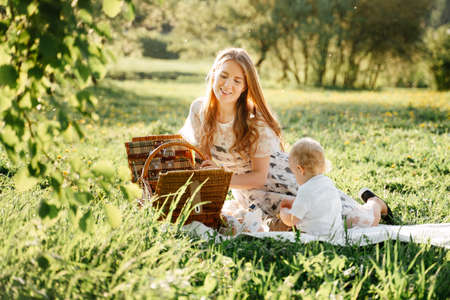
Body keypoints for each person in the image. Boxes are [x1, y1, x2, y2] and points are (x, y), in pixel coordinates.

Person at [179, 47, 392, 231]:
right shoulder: (199, 110)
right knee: (265, 223)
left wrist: (217, 179)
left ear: (245, 86)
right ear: (214, 73)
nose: (228, 85)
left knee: (352, 221)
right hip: (246, 192)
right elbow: (198, 155)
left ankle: (375, 204)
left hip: (283, 181)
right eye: (223, 76)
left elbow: (258, 177)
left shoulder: (254, 121)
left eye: (237, 80)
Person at [279, 137, 343, 236]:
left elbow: (292, 219)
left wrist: (283, 213)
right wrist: (293, 202)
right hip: (335, 233)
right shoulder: (328, 183)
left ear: (300, 169)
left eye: (294, 174)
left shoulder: (305, 190)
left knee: (278, 227)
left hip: (313, 235)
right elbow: (315, 205)